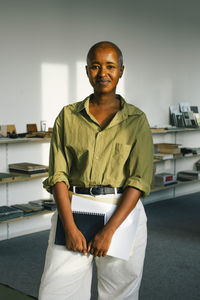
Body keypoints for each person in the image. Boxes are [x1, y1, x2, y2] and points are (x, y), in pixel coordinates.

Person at [38, 41, 153, 300]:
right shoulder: (67, 116)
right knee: (56, 293)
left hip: (122, 213)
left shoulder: (137, 120)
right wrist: (69, 227)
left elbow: (139, 179)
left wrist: (109, 230)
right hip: (74, 210)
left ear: (121, 70)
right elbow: (58, 175)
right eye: (96, 66)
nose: (103, 73)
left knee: (119, 294)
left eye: (110, 66)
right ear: (87, 70)